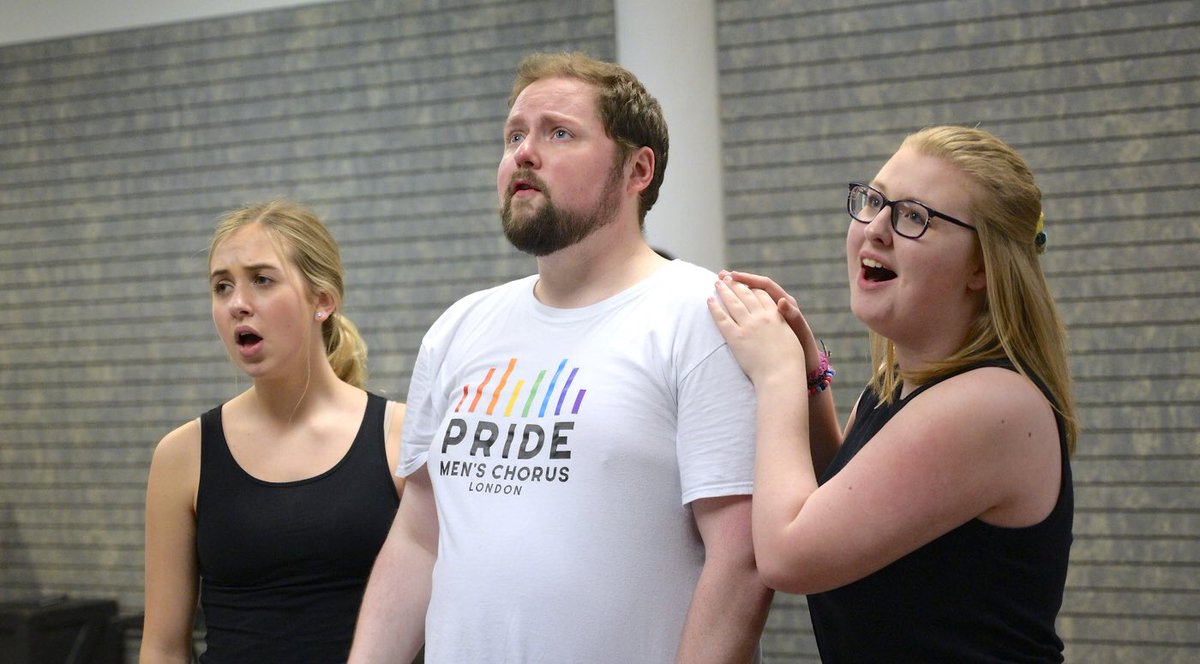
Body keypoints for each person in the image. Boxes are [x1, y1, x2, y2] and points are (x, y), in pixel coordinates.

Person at [349, 52, 772, 663]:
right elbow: (419, 538)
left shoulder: (704, 318)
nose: (524, 152)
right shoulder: (459, 328)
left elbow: (742, 560)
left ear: (637, 169)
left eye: (559, 133)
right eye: (514, 135)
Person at [709, 125, 1076, 662]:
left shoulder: (991, 403)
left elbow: (790, 555)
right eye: (874, 201)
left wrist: (777, 376)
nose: (875, 229)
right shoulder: (899, 387)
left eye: (913, 216)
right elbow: (844, 501)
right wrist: (811, 378)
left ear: (982, 265)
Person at [140, 200, 406, 663]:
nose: (238, 304)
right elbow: (162, 647)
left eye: (262, 280)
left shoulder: (401, 438)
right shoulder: (182, 455)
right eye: (222, 287)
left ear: (322, 300)